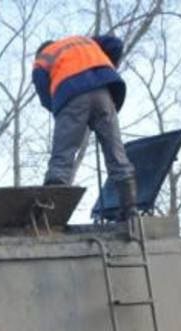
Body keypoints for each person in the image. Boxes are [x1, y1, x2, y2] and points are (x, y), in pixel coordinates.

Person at [32, 34, 136, 219]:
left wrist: (60, 108)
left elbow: (43, 90)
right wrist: (105, 70)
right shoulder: (82, 40)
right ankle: (130, 210)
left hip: (70, 96)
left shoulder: (44, 57)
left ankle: (50, 214)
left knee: (62, 158)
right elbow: (115, 43)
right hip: (104, 93)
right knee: (116, 152)